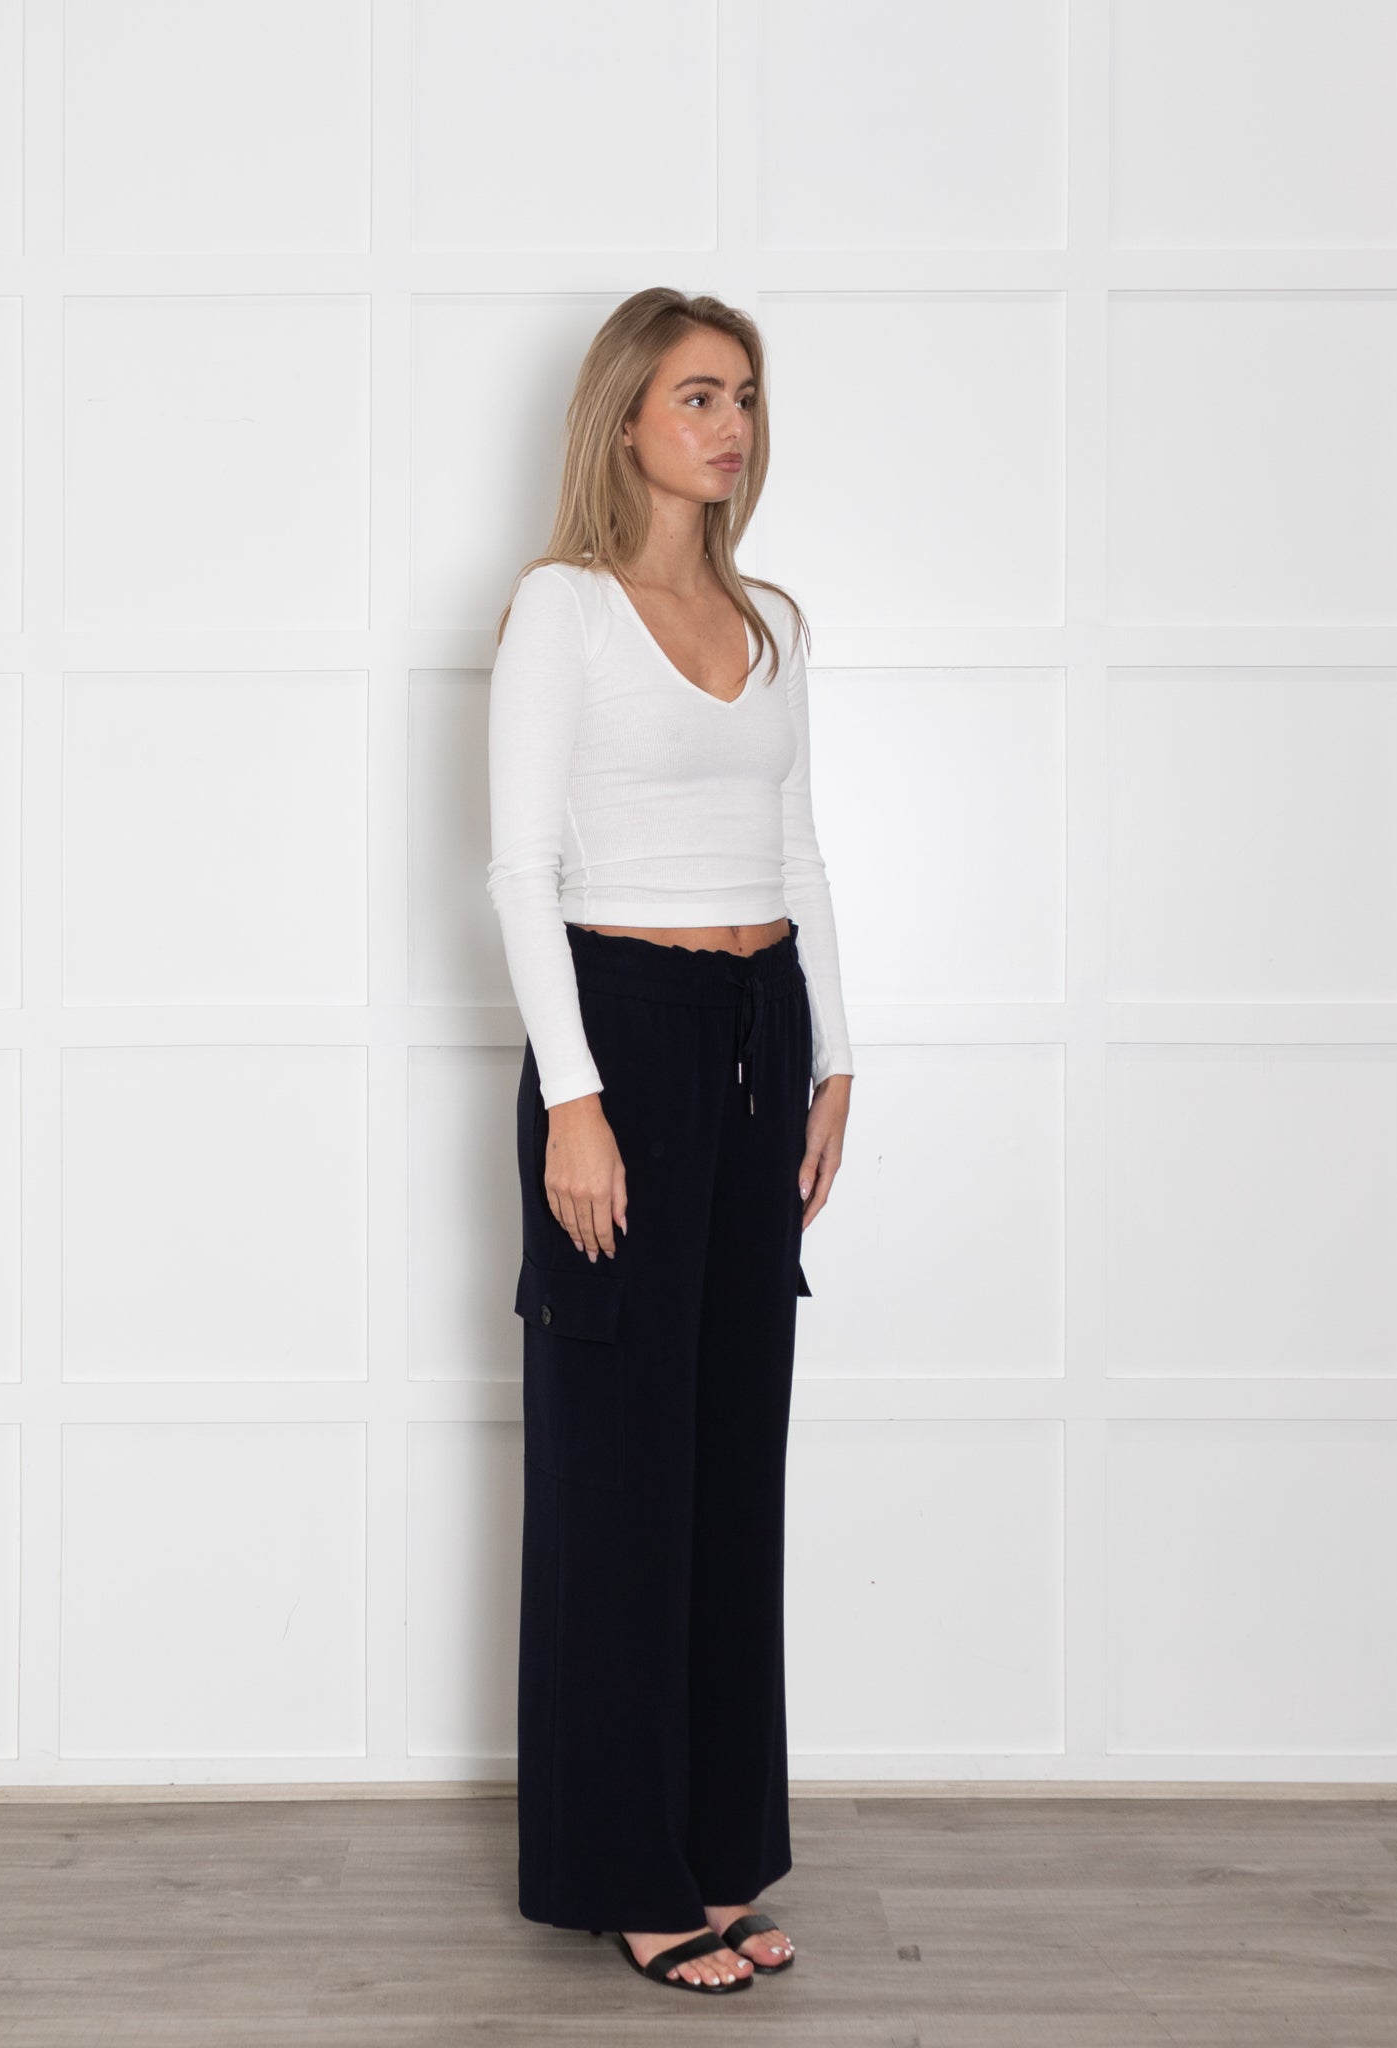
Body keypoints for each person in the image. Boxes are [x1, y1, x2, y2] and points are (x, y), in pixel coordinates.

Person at [485, 289, 854, 1994]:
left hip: (759, 1030)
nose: (731, 426)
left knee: (727, 1460)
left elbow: (801, 850)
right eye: (699, 395)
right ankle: (626, 1870)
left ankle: (714, 1849)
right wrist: (574, 1098)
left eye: (747, 398)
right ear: (626, 415)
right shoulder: (562, 610)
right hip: (620, 1032)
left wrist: (834, 1055)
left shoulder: (770, 621)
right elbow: (521, 870)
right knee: (619, 1471)